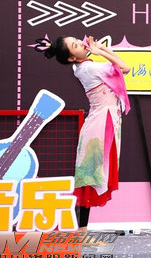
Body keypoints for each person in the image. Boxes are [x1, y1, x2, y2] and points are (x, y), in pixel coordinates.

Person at [35, 36, 130, 231]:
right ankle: (82, 230)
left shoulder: (81, 67)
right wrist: (100, 51)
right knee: (90, 177)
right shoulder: (89, 68)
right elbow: (125, 67)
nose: (81, 43)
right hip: (101, 125)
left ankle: (82, 230)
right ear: (71, 58)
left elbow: (119, 67)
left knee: (91, 177)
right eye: (75, 45)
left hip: (103, 122)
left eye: (78, 40)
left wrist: (100, 50)